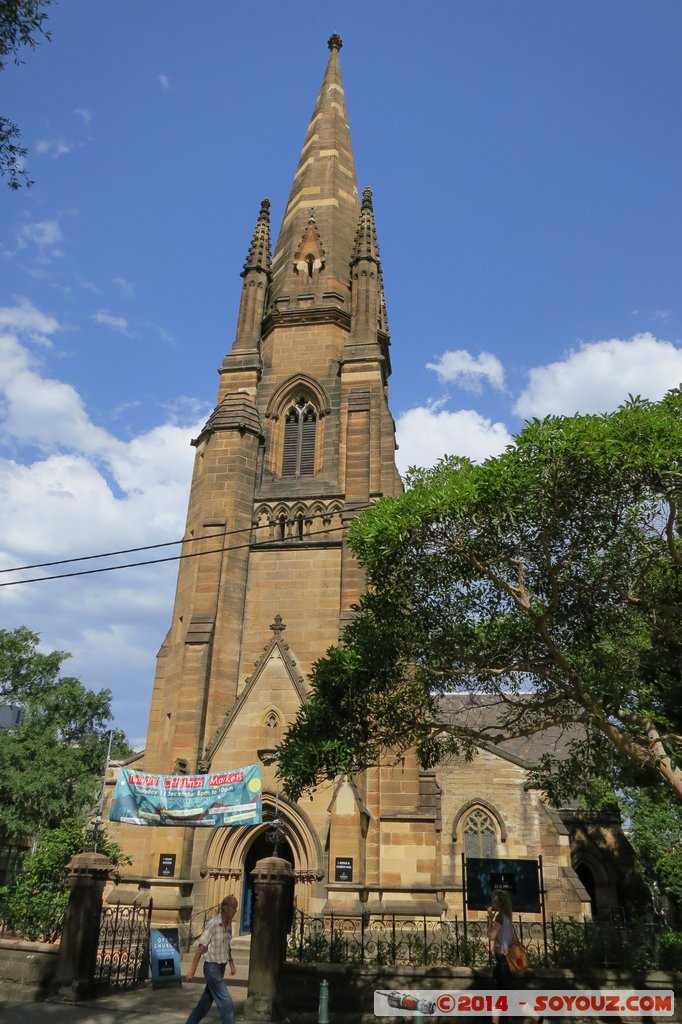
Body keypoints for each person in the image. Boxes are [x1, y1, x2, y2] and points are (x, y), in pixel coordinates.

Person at [184, 895, 238, 1024]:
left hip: (221, 967)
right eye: (233, 907)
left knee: (205, 1003)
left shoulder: (229, 923)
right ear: (225, 908)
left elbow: (227, 945)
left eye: (236, 908)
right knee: (226, 1003)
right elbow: (201, 947)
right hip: (211, 968)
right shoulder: (213, 923)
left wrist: (231, 963)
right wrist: (192, 970)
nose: (236, 910)